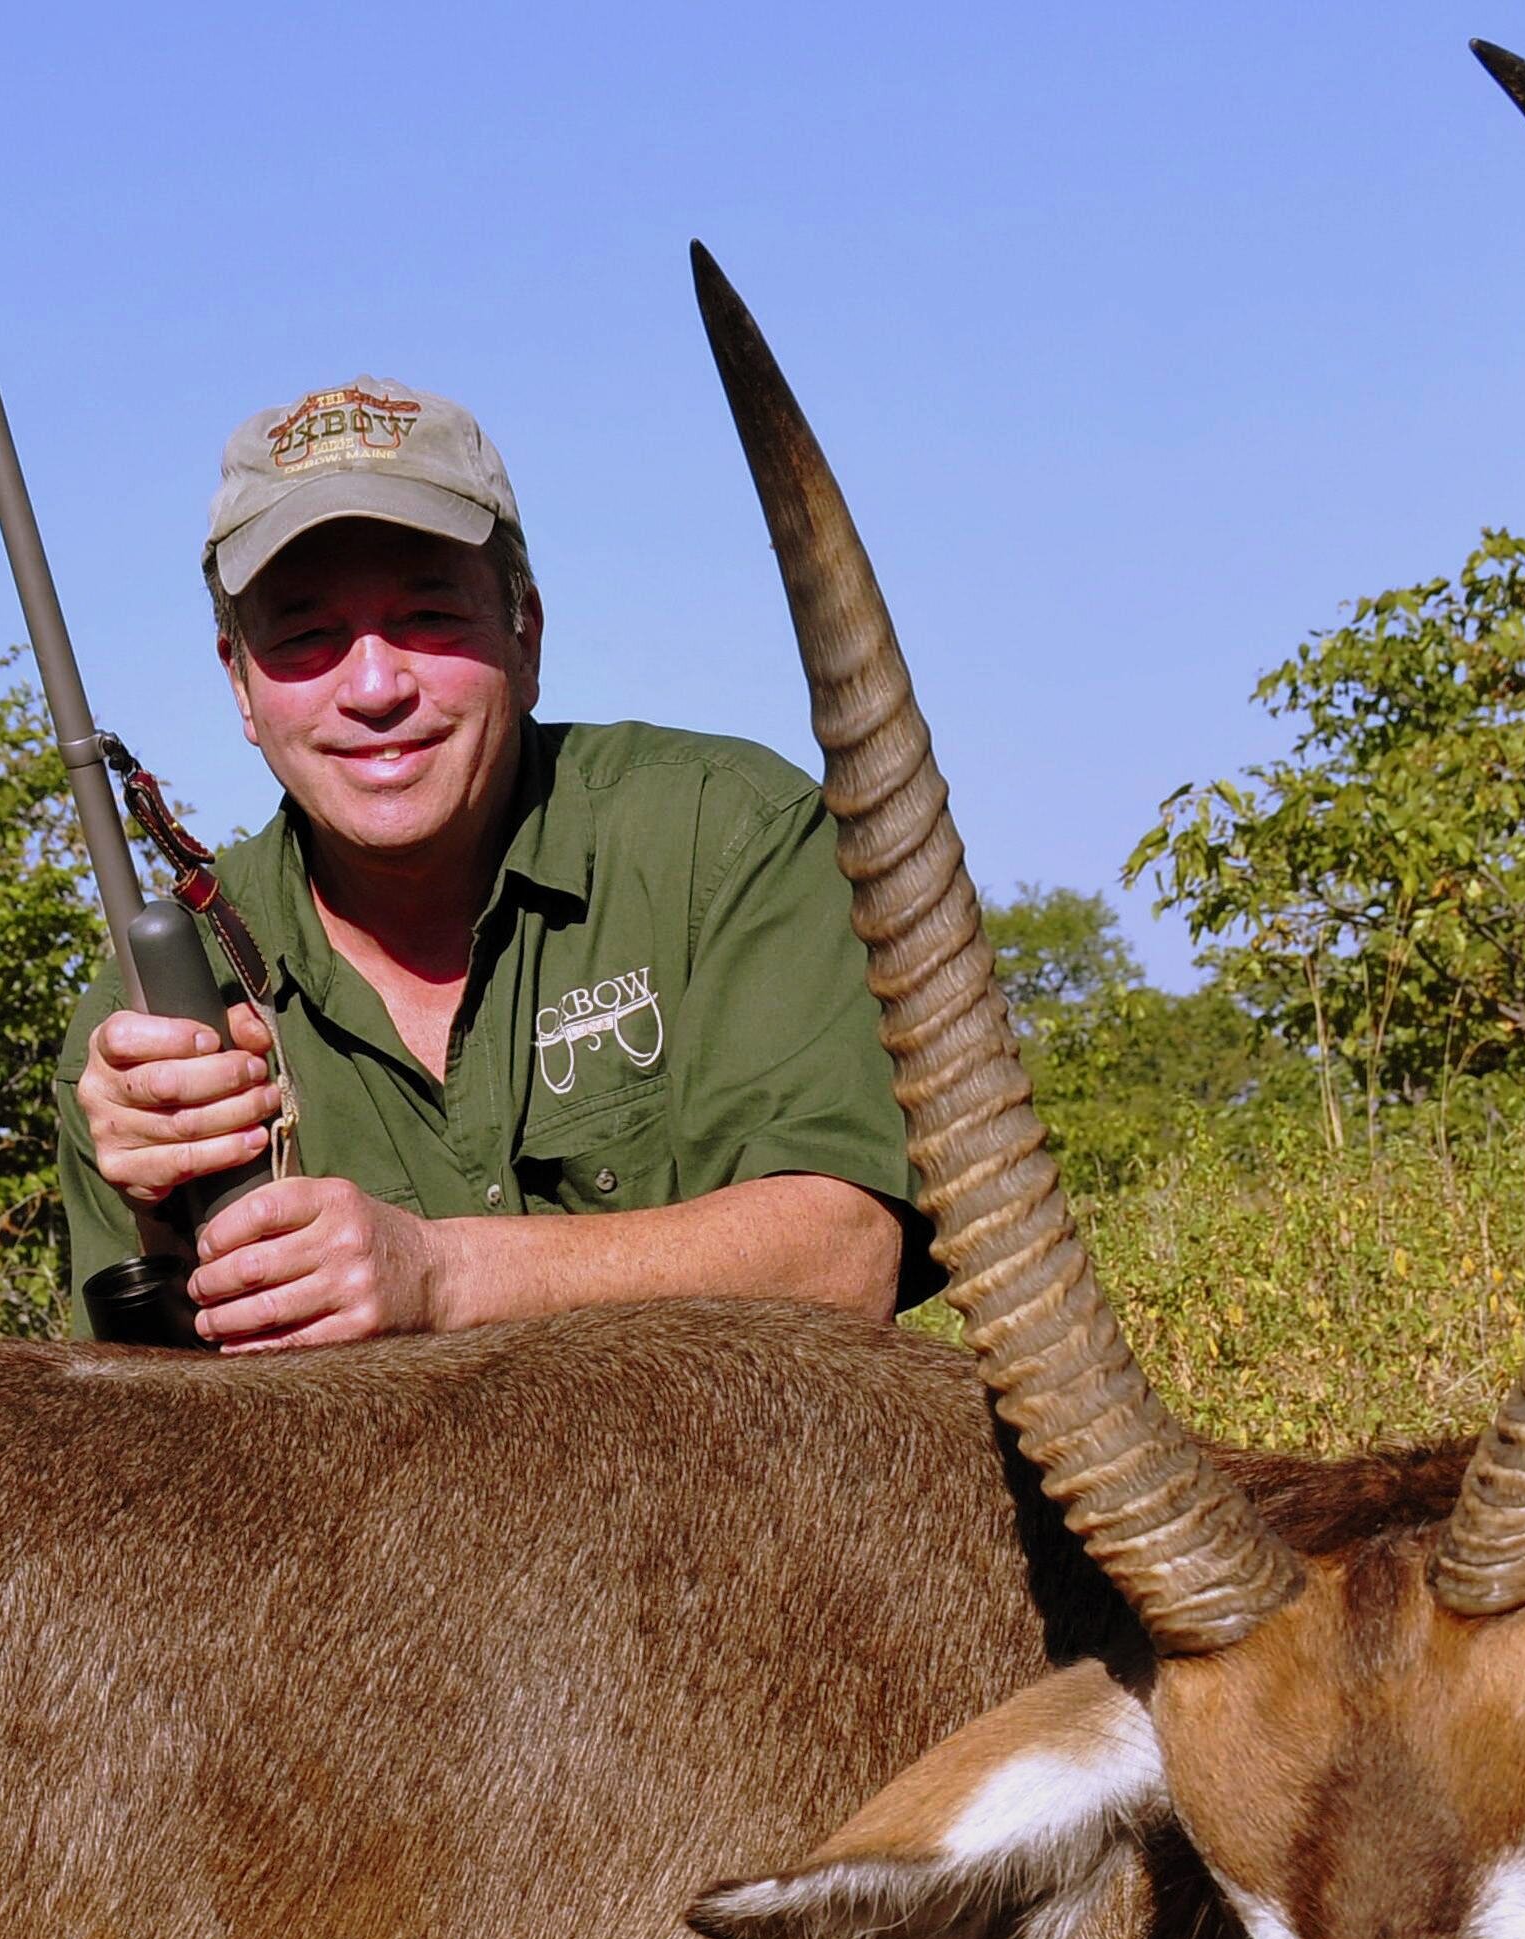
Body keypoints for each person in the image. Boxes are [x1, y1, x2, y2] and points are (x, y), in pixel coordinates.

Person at [57, 376, 935, 1349]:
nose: (377, 687)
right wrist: (153, 1211)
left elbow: (843, 1257)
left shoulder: (725, 835)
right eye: (307, 638)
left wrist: (439, 1271)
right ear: (241, 686)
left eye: (430, 618)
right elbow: (144, 1441)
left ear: (526, 636)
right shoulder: (148, 1025)